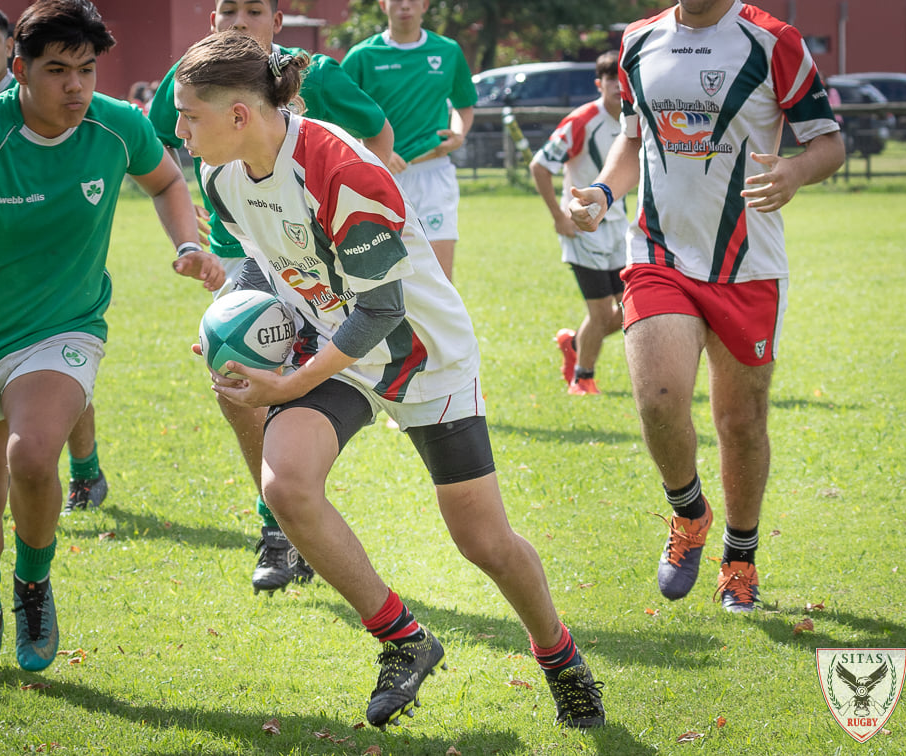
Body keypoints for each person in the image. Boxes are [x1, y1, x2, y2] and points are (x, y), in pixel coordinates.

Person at [173, 30, 605, 729]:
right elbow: (262, 261)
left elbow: (381, 310)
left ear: (240, 115)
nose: (180, 131)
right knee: (285, 485)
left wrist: (288, 384)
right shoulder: (222, 174)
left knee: (483, 541)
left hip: (421, 355)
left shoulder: (339, 167)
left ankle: (561, 658)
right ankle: (404, 640)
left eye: (189, 115)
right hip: (329, 341)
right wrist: (228, 321)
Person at [0, 0, 223, 675]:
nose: (76, 86)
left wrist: (187, 241)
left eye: (87, 69)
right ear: (18, 69)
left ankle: (33, 586)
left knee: (35, 453)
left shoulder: (115, 124)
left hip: (67, 326)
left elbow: (165, 180)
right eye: (56, 70)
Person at [568, 0, 845, 612]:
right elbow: (630, 139)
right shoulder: (639, 41)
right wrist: (604, 191)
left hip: (750, 266)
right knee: (658, 401)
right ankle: (688, 513)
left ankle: (740, 558)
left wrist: (796, 173)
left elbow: (830, 144)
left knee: (740, 423)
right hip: (658, 253)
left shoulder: (774, 41)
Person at [147, 0, 395, 595]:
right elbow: (161, 157)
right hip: (247, 249)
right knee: (238, 380)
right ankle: (277, 526)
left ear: (277, 23)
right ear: (210, 21)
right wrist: (191, 244)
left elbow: (379, 135)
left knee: (307, 379)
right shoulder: (189, 81)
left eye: (253, 10)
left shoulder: (315, 73)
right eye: (226, 9)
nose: (238, 20)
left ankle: (292, 503)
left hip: (318, 253)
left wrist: (362, 211)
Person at [0, 4, 111, 516]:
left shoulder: (93, 113)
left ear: (8, 48)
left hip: (59, 278)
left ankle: (85, 468)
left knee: (57, 378)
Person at [340, 0, 476, 282]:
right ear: (382, 5)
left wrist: (458, 133)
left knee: (439, 278)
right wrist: (372, 151)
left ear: (425, 5)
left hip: (433, 174)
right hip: (378, 177)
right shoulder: (362, 56)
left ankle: (438, 329)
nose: (405, 5)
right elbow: (336, 118)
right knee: (383, 280)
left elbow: (464, 105)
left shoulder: (448, 51)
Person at [530, 51, 625, 396]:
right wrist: (559, 217)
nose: (618, 86)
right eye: (610, 79)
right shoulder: (582, 120)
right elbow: (540, 166)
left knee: (634, 309)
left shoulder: (635, 118)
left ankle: (573, 343)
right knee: (601, 313)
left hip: (620, 228)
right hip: (584, 228)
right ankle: (582, 379)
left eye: (622, 78)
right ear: (599, 84)